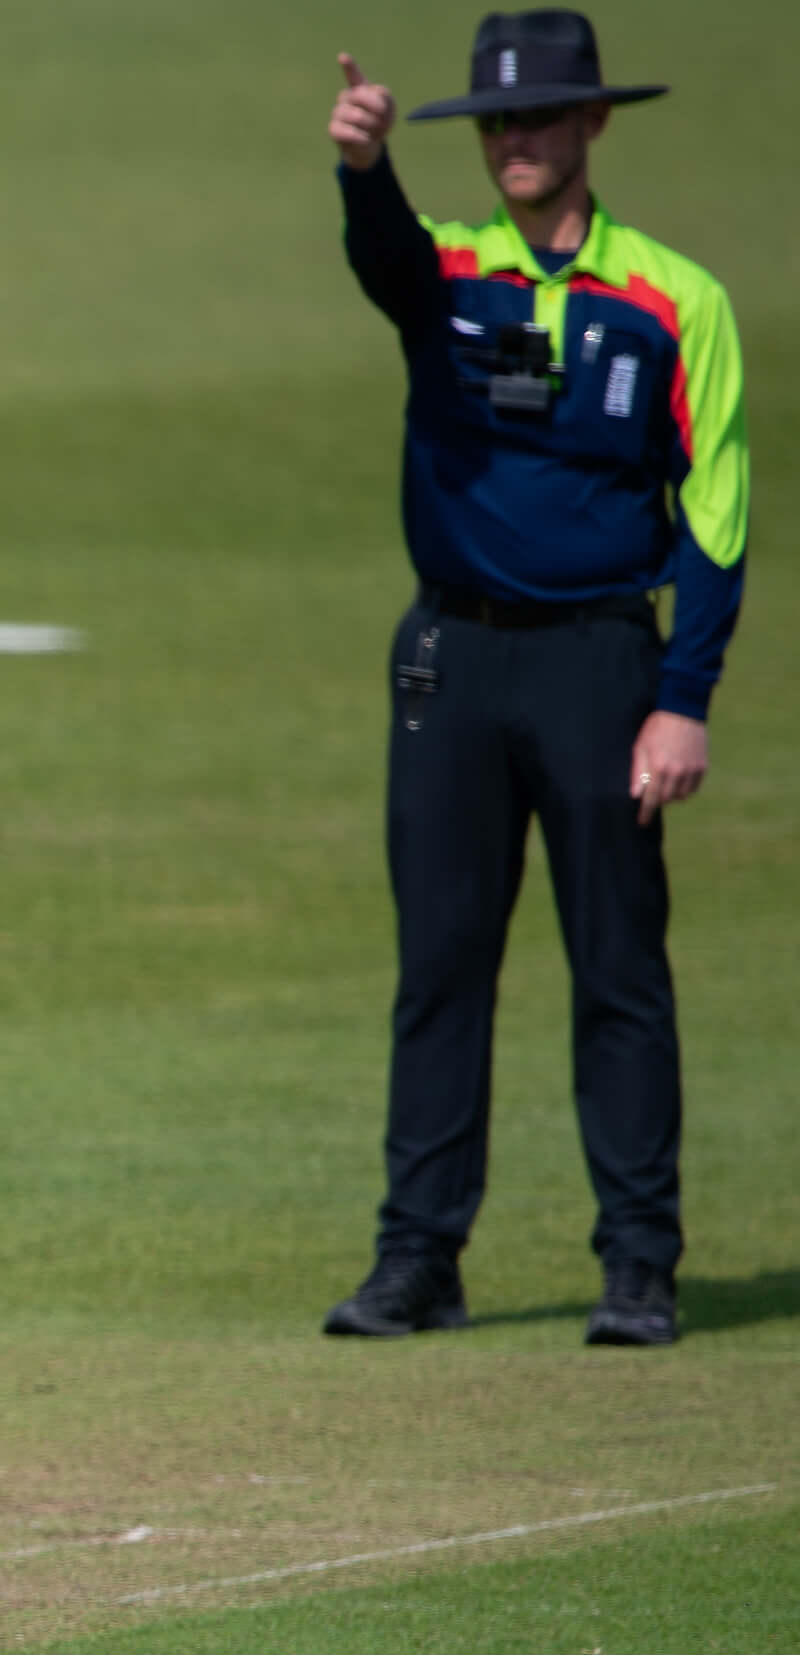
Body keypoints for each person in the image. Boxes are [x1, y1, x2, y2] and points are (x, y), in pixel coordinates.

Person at [318, 11, 746, 1349]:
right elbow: (385, 261)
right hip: (453, 655)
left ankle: (638, 1263)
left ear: (593, 125)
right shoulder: (450, 272)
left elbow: (719, 512)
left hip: (600, 663)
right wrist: (364, 167)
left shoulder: (677, 300)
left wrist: (685, 696)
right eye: (498, 122)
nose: (517, 141)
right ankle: (418, 1260)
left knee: (618, 964)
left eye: (540, 119)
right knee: (441, 966)